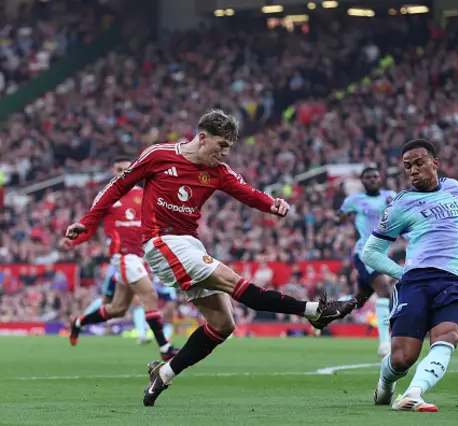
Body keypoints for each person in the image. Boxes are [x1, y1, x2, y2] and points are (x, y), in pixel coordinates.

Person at [64, 109, 356, 407]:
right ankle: (314, 311)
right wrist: (86, 224)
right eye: (222, 145)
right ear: (202, 138)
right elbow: (117, 186)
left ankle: (163, 374)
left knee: (223, 324)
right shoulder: (158, 155)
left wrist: (272, 204)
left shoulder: (219, 172)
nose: (225, 153)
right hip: (160, 242)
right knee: (233, 282)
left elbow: (247, 193)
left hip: (190, 245)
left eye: (229, 147)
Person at [360, 139, 458, 412]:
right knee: (402, 359)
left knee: (448, 335)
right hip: (416, 282)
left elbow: (457, 218)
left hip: (453, 281)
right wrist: (402, 273)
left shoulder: (452, 188)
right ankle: (386, 384)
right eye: (407, 166)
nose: (413, 170)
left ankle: (414, 392)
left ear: (434, 163)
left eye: (418, 163)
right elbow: (370, 253)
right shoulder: (400, 205)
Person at [60, 157, 179, 361]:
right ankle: (165, 347)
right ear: (113, 171)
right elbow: (90, 224)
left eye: (127, 169)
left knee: (117, 309)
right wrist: (73, 242)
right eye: (119, 169)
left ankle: (78, 322)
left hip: (139, 257)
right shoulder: (106, 196)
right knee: (149, 295)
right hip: (123, 255)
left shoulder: (143, 195)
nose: (123, 172)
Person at [329, 166, 396, 356]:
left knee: (358, 301)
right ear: (362, 181)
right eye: (368, 177)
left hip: (381, 254)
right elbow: (338, 218)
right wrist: (338, 217)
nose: (373, 179)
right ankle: (385, 343)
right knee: (384, 291)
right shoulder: (354, 200)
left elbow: (403, 217)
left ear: (380, 178)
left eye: (375, 176)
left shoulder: (390, 197)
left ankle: (323, 312)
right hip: (364, 253)